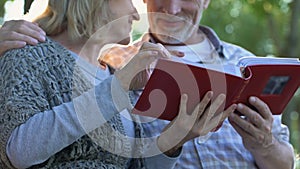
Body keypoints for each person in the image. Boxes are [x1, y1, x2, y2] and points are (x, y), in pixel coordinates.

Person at [0, 0, 295, 169]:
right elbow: (19, 146)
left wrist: (264, 144)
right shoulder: (120, 67)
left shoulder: (247, 64)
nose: (173, 8)